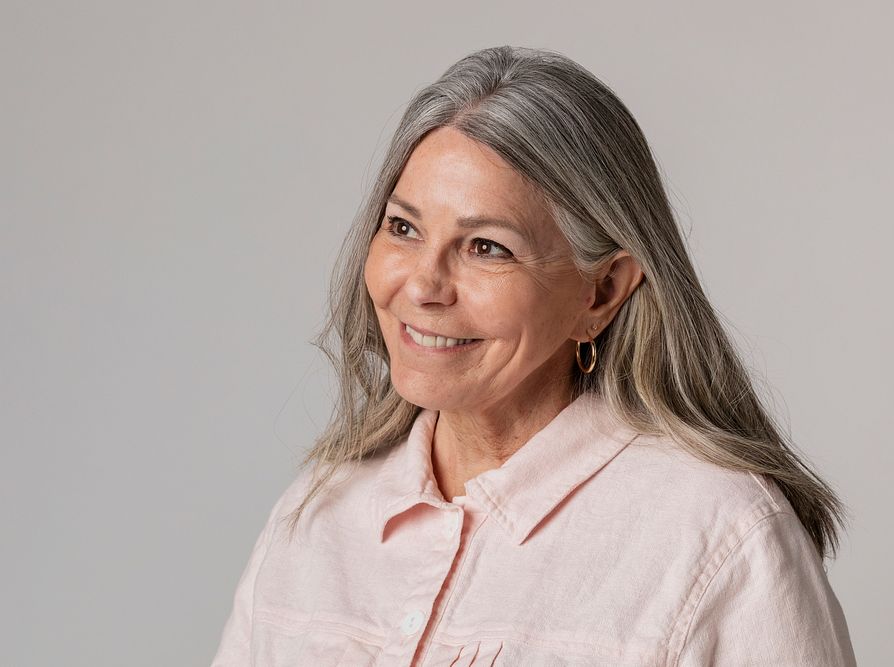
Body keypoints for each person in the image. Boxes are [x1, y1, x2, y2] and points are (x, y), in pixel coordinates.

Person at [211, 45, 857, 666]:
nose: (422, 285)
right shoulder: (317, 515)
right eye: (403, 228)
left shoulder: (723, 540)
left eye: (486, 247)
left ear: (599, 292)